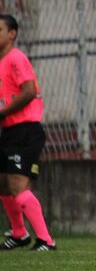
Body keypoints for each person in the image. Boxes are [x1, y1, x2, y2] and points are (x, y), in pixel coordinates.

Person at [0, 14, 56, 252]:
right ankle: (20, 234)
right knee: (3, 185)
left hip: (26, 130)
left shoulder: (16, 59)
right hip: (10, 131)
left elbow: (29, 91)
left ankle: (46, 240)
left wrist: (3, 112)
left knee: (18, 186)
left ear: (12, 34)